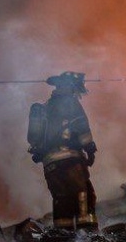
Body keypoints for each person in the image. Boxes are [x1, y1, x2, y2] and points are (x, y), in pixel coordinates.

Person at [28, 72, 98, 231]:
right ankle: (89, 238)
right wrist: (91, 150)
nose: (76, 93)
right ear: (70, 87)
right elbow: (82, 128)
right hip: (70, 160)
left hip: (50, 164)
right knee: (83, 196)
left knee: (62, 200)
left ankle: (64, 239)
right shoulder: (71, 103)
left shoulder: (45, 107)